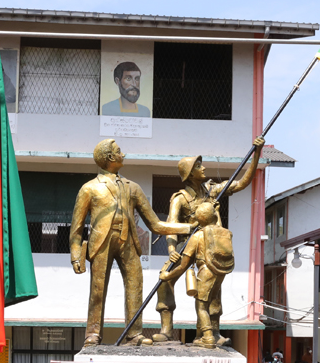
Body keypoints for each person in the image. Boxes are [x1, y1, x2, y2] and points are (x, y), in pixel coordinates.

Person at [70, 139, 192, 347]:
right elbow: (77, 227)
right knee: (98, 290)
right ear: (110, 158)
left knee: (135, 286)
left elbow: (155, 224)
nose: (123, 154)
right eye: (119, 152)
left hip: (129, 242)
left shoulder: (132, 188)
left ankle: (134, 334)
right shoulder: (89, 189)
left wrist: (187, 227)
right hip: (101, 242)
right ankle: (92, 333)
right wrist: (75, 255)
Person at [153, 137, 265, 344]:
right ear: (189, 173)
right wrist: (171, 250)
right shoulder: (179, 198)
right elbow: (170, 226)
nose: (203, 168)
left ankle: (211, 332)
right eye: (198, 166)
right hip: (186, 245)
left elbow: (242, 183)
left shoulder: (212, 191)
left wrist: (256, 154)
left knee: (214, 287)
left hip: (209, 245)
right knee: (165, 280)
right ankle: (167, 329)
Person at [158, 202, 234, 348]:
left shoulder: (198, 236)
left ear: (199, 219)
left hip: (206, 272)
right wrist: (216, 212)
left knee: (201, 306)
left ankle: (208, 337)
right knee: (211, 301)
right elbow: (216, 224)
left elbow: (183, 265)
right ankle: (201, 336)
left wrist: (168, 276)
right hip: (220, 272)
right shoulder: (225, 233)